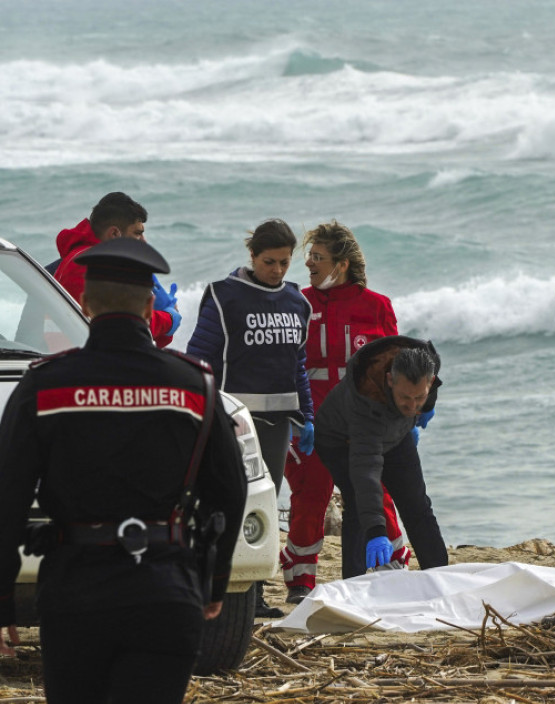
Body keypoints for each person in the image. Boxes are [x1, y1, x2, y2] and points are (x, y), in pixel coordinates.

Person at [0, 238, 246, 704]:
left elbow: (7, 500)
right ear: (149, 308)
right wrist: (215, 581)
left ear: (85, 305)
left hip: (75, 592)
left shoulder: (45, 387)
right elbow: (229, 487)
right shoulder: (194, 386)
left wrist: (3, 604)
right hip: (166, 589)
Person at [279, 221, 417, 604]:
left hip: (366, 423)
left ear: (341, 264)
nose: (308, 263)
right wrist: (294, 417)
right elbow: (283, 363)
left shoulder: (377, 306)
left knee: (376, 491)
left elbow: (397, 367)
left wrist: (408, 417)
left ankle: (391, 568)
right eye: (309, 256)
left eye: (318, 257)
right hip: (311, 421)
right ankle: (300, 581)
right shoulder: (298, 303)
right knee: (310, 495)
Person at [186, 218, 314, 617]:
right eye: (269, 262)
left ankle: (254, 595)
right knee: (226, 503)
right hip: (233, 423)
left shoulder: (298, 303)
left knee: (264, 504)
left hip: (276, 425)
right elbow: (200, 356)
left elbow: (299, 365)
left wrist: (307, 415)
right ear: (253, 256)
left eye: (284, 263)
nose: (277, 270)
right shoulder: (225, 297)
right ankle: (216, 589)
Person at [315, 336, 449, 578]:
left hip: (395, 434)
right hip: (340, 440)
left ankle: (440, 575)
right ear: (389, 380)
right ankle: (354, 583)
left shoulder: (427, 367)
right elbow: (366, 474)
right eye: (405, 398)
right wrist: (377, 532)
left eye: (419, 397)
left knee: (416, 503)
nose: (411, 406)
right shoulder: (367, 400)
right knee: (358, 503)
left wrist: (426, 407)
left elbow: (429, 390)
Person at [53, 192, 181, 346]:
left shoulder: (83, 258)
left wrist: (162, 325)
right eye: (137, 234)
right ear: (114, 234)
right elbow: (124, 325)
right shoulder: (88, 266)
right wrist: (168, 319)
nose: (144, 242)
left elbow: (135, 338)